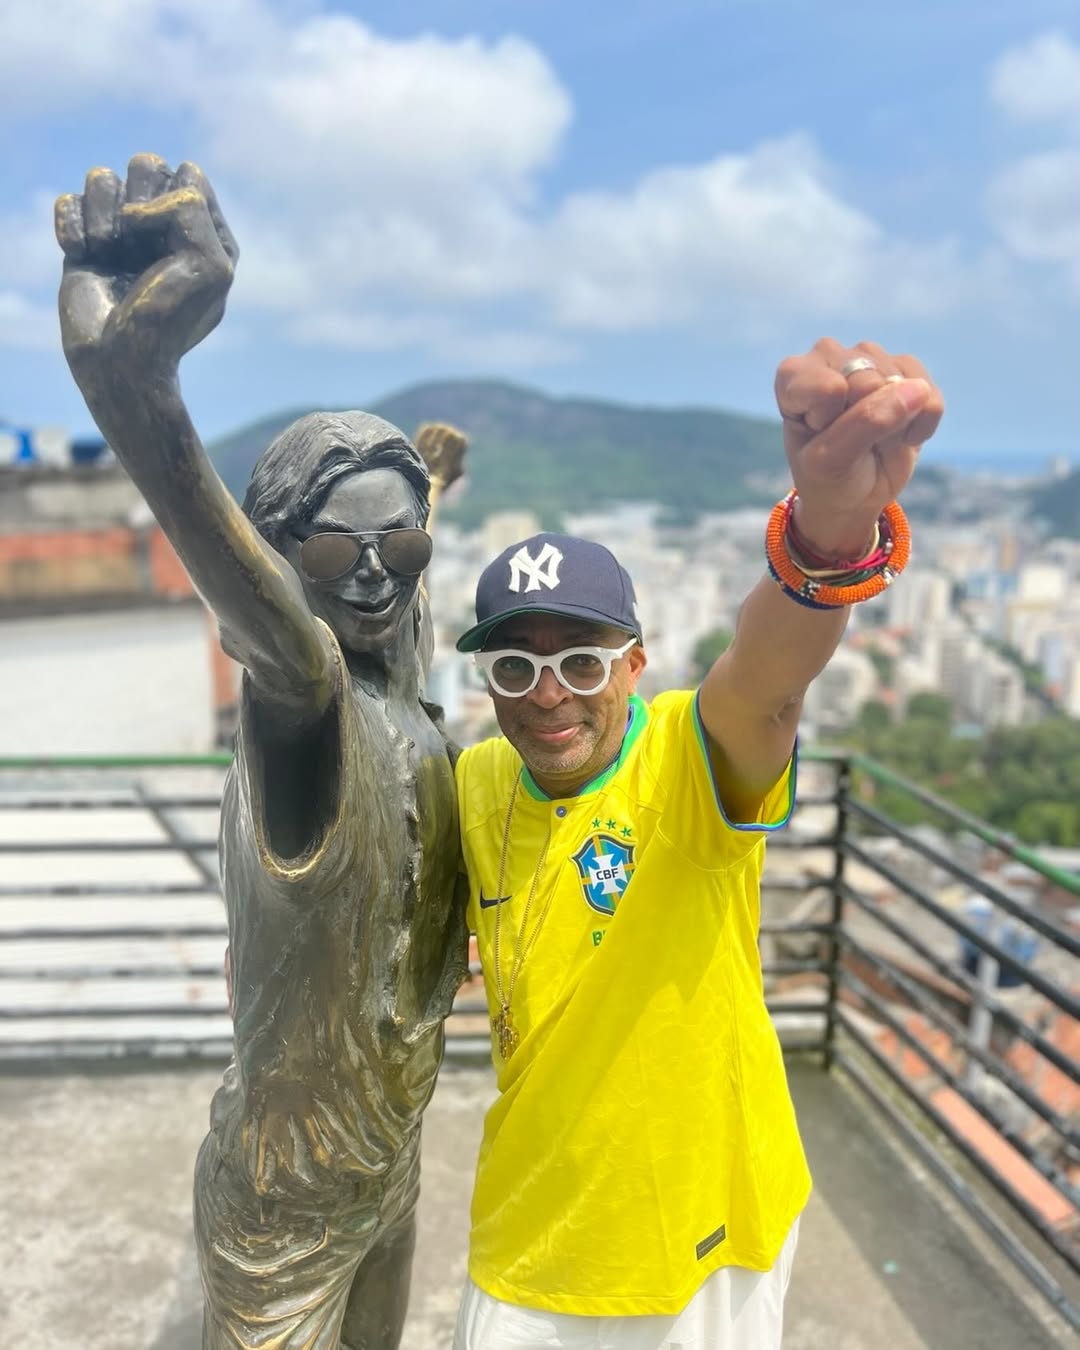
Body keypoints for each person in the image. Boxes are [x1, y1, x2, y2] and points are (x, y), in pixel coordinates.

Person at [451, 342, 943, 1350]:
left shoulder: (684, 755)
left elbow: (767, 678)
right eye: (514, 666)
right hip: (526, 1223)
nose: (548, 694)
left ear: (634, 661)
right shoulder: (475, 779)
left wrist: (831, 526)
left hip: (701, 1235)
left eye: (582, 662)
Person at [55, 155, 469, 1349]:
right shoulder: (309, 701)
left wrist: (428, 485)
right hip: (285, 1204)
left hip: (389, 1158)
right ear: (285, 561)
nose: (380, 570)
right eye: (339, 556)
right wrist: (133, 386)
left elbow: (394, 581)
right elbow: (274, 621)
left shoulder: (394, 677)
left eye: (406, 543)